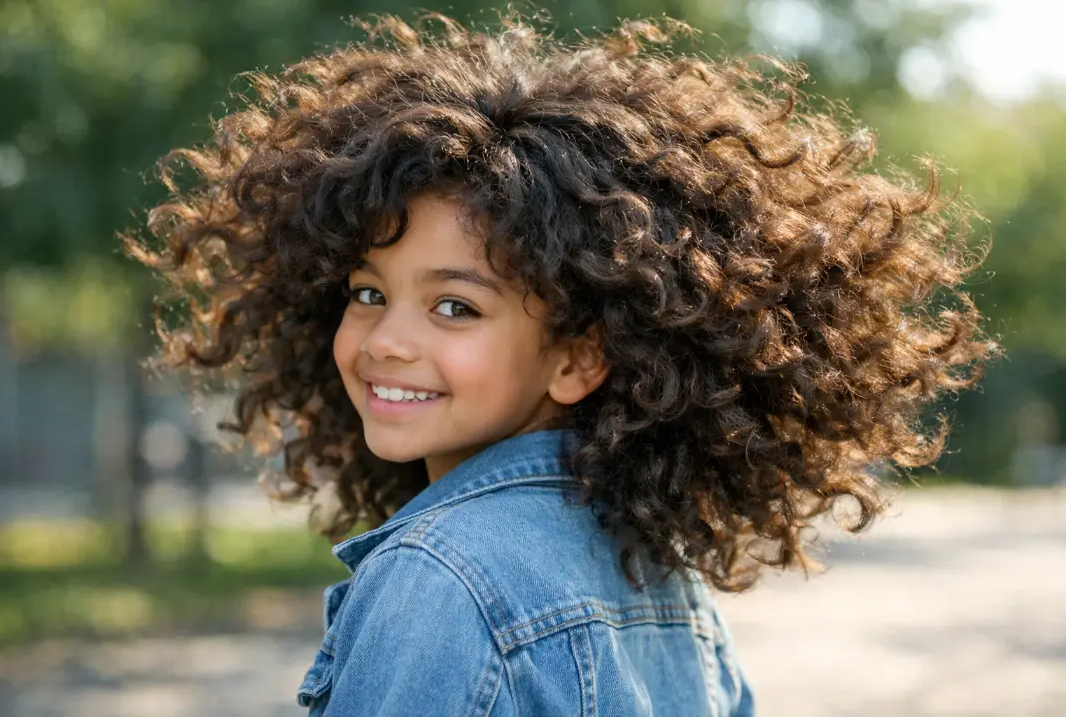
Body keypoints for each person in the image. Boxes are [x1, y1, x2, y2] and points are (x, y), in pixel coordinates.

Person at [126, 11, 995, 716]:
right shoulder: (644, 557)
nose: (386, 338)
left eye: (454, 306)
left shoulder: (442, 575)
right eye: (366, 292)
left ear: (580, 356)